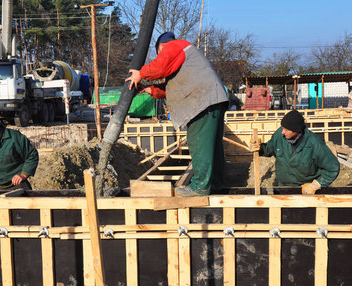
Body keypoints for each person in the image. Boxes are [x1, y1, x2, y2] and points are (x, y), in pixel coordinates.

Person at [126, 32, 229, 197]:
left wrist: (141, 74)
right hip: (212, 100)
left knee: (199, 144)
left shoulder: (173, 46)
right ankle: (215, 183)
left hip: (202, 102)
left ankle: (200, 187)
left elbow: (159, 67)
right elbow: (172, 87)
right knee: (212, 146)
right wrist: (149, 89)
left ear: (161, 47)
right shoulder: (184, 55)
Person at [250, 110, 340, 194]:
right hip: (283, 189)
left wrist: (316, 185)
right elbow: (270, 148)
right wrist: (260, 148)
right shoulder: (280, 136)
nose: (282, 132)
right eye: (282, 128)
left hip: (305, 191)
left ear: (296, 130)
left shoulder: (314, 144)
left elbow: (333, 168)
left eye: (286, 130)